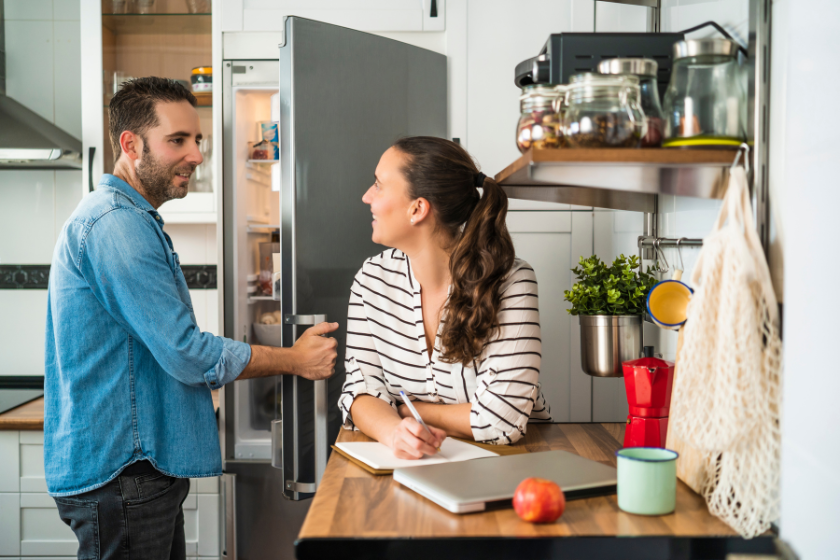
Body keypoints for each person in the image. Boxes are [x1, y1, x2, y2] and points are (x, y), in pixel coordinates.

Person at [44, 77, 338, 560]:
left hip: (133, 472)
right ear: (130, 145)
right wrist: (294, 359)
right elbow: (185, 353)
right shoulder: (115, 225)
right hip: (125, 474)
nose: (197, 155)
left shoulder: (127, 219)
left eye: (196, 140)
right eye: (177, 140)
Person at [337, 136, 551, 460]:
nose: (367, 196)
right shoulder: (372, 281)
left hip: (518, 462)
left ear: (418, 209)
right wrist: (395, 433)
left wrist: (406, 410)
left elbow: (502, 420)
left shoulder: (510, 282)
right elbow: (359, 390)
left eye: (379, 185)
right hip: (418, 464)